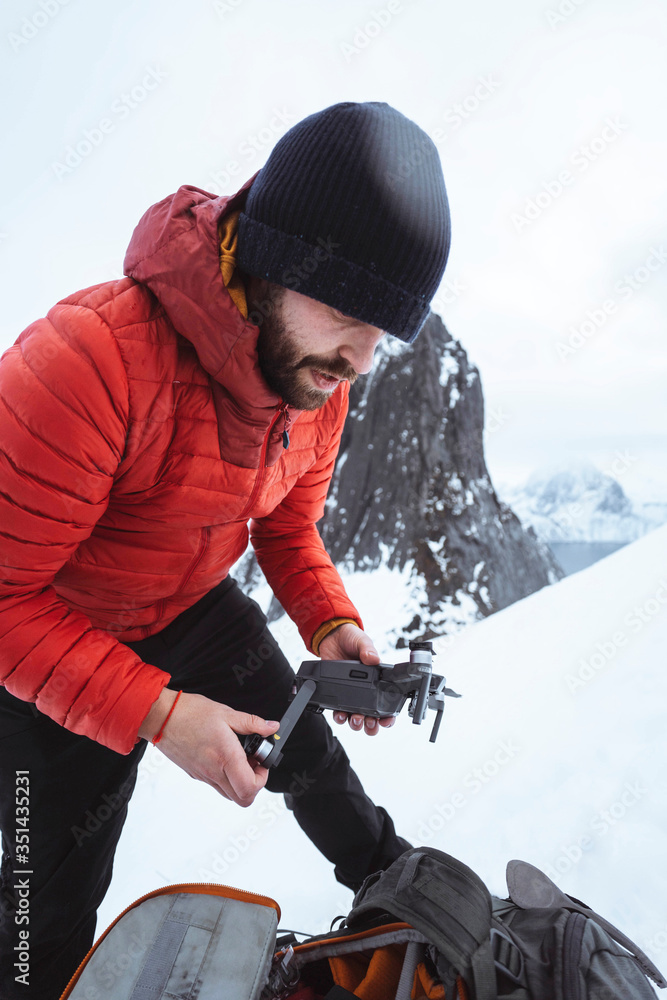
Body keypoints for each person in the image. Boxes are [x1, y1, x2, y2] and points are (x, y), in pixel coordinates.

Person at [0, 100, 451, 997]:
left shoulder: (316, 382)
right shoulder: (86, 361)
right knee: (37, 917)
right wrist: (159, 714)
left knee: (311, 754)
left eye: (384, 332)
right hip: (52, 637)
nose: (360, 359)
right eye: (346, 312)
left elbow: (286, 526)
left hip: (190, 604)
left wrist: (329, 624)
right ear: (273, 257)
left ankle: (405, 907)